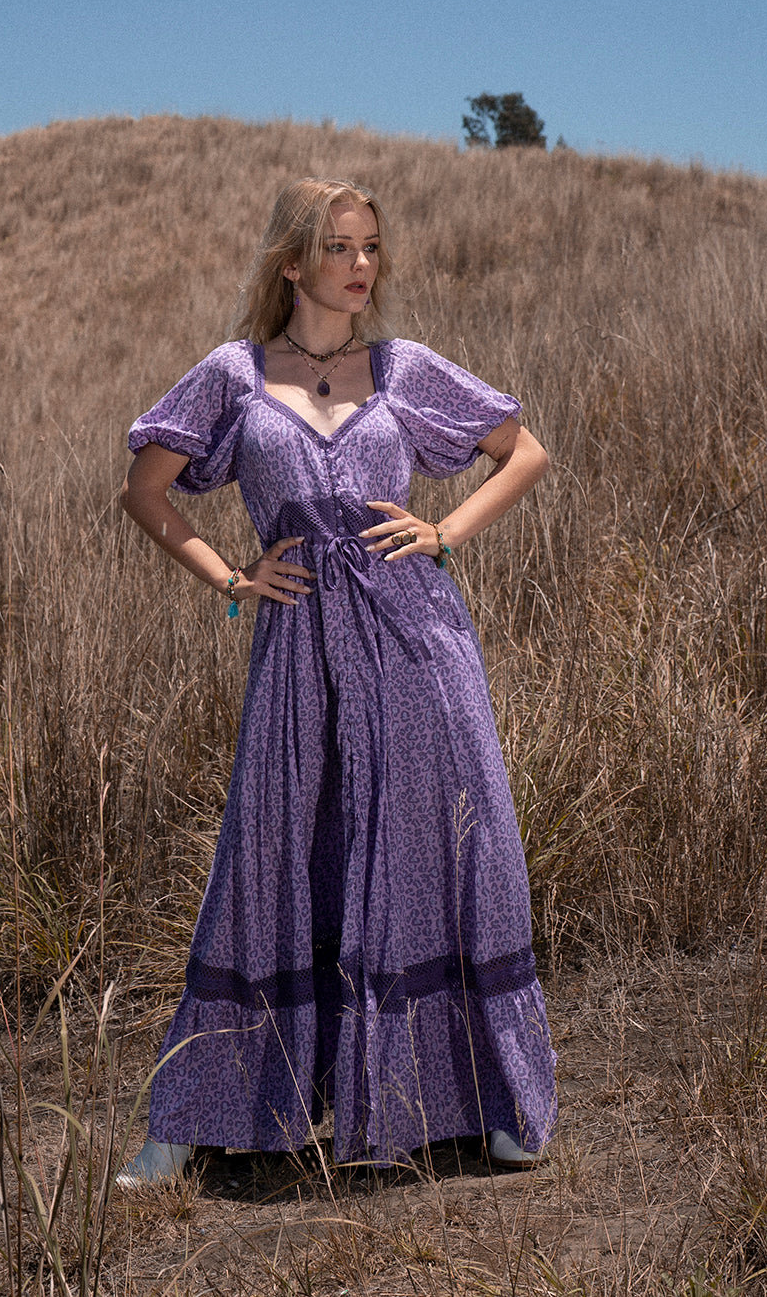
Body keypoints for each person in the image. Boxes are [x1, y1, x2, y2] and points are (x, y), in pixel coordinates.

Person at [116, 178, 556, 1185]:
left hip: (415, 646)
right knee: (267, 858)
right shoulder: (232, 376)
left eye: (370, 246)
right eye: (337, 246)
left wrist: (443, 529)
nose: (360, 265)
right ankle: (188, 1119)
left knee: (444, 851)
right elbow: (145, 490)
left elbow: (523, 453)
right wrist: (229, 577)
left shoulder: (402, 369)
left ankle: (487, 1102)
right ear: (290, 262)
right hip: (298, 650)